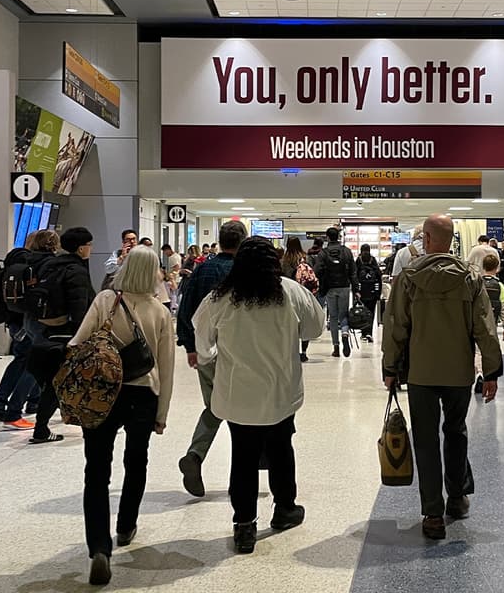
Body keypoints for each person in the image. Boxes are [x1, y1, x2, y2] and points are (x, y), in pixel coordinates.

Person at [192, 237, 325, 555]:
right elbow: (315, 329)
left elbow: (202, 341)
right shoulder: (290, 292)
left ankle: (244, 526)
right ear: (274, 261)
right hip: (281, 392)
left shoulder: (222, 297)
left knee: (243, 457)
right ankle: (284, 510)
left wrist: (213, 354)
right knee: (281, 449)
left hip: (238, 395)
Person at [382, 214, 503, 541]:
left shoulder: (408, 278)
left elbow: (396, 327)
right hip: (459, 373)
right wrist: (491, 370)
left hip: (421, 372)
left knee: (425, 439)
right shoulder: (470, 278)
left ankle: (432, 514)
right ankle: (458, 497)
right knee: (456, 429)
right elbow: (485, 327)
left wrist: (390, 368)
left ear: (428, 240)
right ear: (451, 240)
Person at [71, 245, 176, 586]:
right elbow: (166, 367)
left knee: (97, 470)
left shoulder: (105, 300)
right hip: (142, 393)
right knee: (137, 460)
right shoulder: (160, 312)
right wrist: (162, 411)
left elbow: (78, 342)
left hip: (101, 394)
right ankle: (127, 525)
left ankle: (99, 548)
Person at [176, 220, 247, 498]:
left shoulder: (202, 269)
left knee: (215, 406)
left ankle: (195, 455)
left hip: (206, 350)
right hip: (240, 351)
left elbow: (186, 309)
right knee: (245, 411)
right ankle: (247, 471)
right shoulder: (244, 271)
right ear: (241, 242)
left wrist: (190, 346)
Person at [0, 229, 59, 429]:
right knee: (29, 362)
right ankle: (1, 402)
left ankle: (29, 400)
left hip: (15, 319)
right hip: (26, 319)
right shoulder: (32, 264)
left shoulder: (13, 262)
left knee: (24, 360)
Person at [29, 226, 96, 444]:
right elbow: (80, 306)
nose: (91, 249)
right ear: (80, 248)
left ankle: (50, 422)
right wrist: (83, 335)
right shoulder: (76, 271)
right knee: (58, 382)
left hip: (47, 330)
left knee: (54, 381)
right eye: (89, 245)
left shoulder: (52, 264)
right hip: (67, 332)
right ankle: (41, 428)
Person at [314, 226, 358, 357]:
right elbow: (353, 272)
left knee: (333, 317)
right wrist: (356, 289)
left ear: (327, 237)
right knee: (343, 314)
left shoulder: (323, 253)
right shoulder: (346, 252)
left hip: (330, 288)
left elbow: (317, 271)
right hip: (345, 287)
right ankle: (345, 332)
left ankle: (336, 347)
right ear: (339, 236)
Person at [479, 254, 504, 343]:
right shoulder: (499, 285)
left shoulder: (477, 283)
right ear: (497, 268)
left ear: (483, 266)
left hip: (477, 322)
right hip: (493, 322)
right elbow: (503, 306)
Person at [355, 244, 382, 342]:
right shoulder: (373, 260)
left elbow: (355, 275)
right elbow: (379, 276)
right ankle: (369, 333)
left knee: (363, 312)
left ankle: (363, 332)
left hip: (362, 291)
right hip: (373, 291)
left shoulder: (359, 260)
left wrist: (355, 291)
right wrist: (378, 293)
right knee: (371, 312)